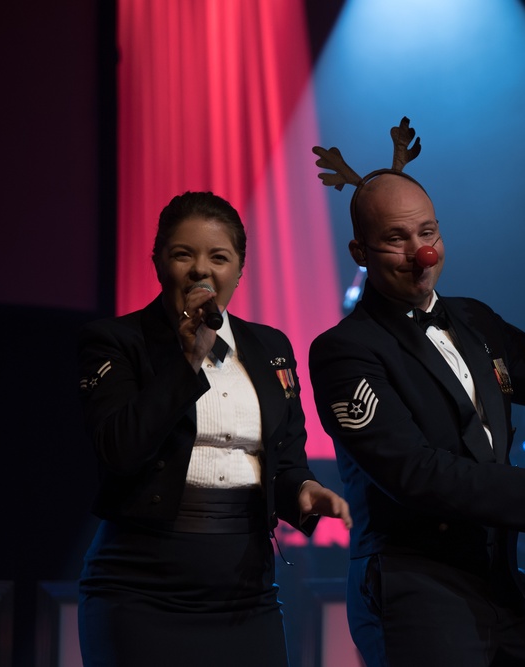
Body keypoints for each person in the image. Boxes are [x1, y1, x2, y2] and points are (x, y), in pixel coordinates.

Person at [308, 119, 525, 667]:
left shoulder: (473, 318)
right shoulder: (345, 350)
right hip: (416, 586)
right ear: (360, 251)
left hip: (498, 579)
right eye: (396, 239)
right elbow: (414, 472)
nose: (421, 253)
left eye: (428, 233)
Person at [76, 191, 352, 666]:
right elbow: (119, 450)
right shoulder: (117, 341)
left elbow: (285, 459)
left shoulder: (270, 346)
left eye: (218, 257)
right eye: (183, 254)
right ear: (158, 261)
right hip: (140, 587)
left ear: (239, 269)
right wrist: (188, 358)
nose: (201, 269)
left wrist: (302, 490)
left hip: (244, 590)